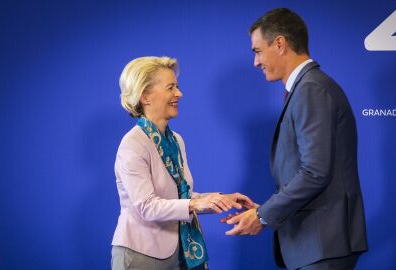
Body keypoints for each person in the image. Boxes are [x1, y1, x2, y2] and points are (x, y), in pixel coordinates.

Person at [225, 8, 368, 270]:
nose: (256, 62)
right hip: (315, 244)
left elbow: (315, 171)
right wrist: (266, 208)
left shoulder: (311, 89)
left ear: (280, 43)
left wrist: (263, 215)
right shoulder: (306, 87)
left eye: (257, 51)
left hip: (322, 244)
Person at [111, 56, 255, 270]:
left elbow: (180, 198)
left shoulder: (176, 140)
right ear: (145, 96)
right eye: (171, 88)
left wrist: (220, 200)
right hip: (141, 255)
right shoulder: (133, 143)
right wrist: (196, 204)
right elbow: (146, 206)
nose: (180, 94)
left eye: (177, 87)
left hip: (179, 254)